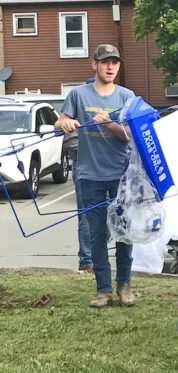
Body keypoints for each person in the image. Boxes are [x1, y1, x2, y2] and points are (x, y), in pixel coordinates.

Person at [55, 44, 136, 308]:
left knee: (124, 232)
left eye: (114, 63)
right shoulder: (79, 94)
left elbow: (132, 135)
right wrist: (64, 123)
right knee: (97, 234)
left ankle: (125, 284)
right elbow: (60, 122)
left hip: (121, 175)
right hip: (89, 175)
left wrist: (109, 124)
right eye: (105, 62)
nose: (110, 67)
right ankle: (104, 289)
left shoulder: (127, 96)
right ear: (94, 64)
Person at [68, 76, 96, 274]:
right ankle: (86, 261)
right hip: (82, 165)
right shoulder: (75, 114)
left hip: (108, 167)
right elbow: (70, 143)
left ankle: (99, 256)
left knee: (112, 212)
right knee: (85, 214)